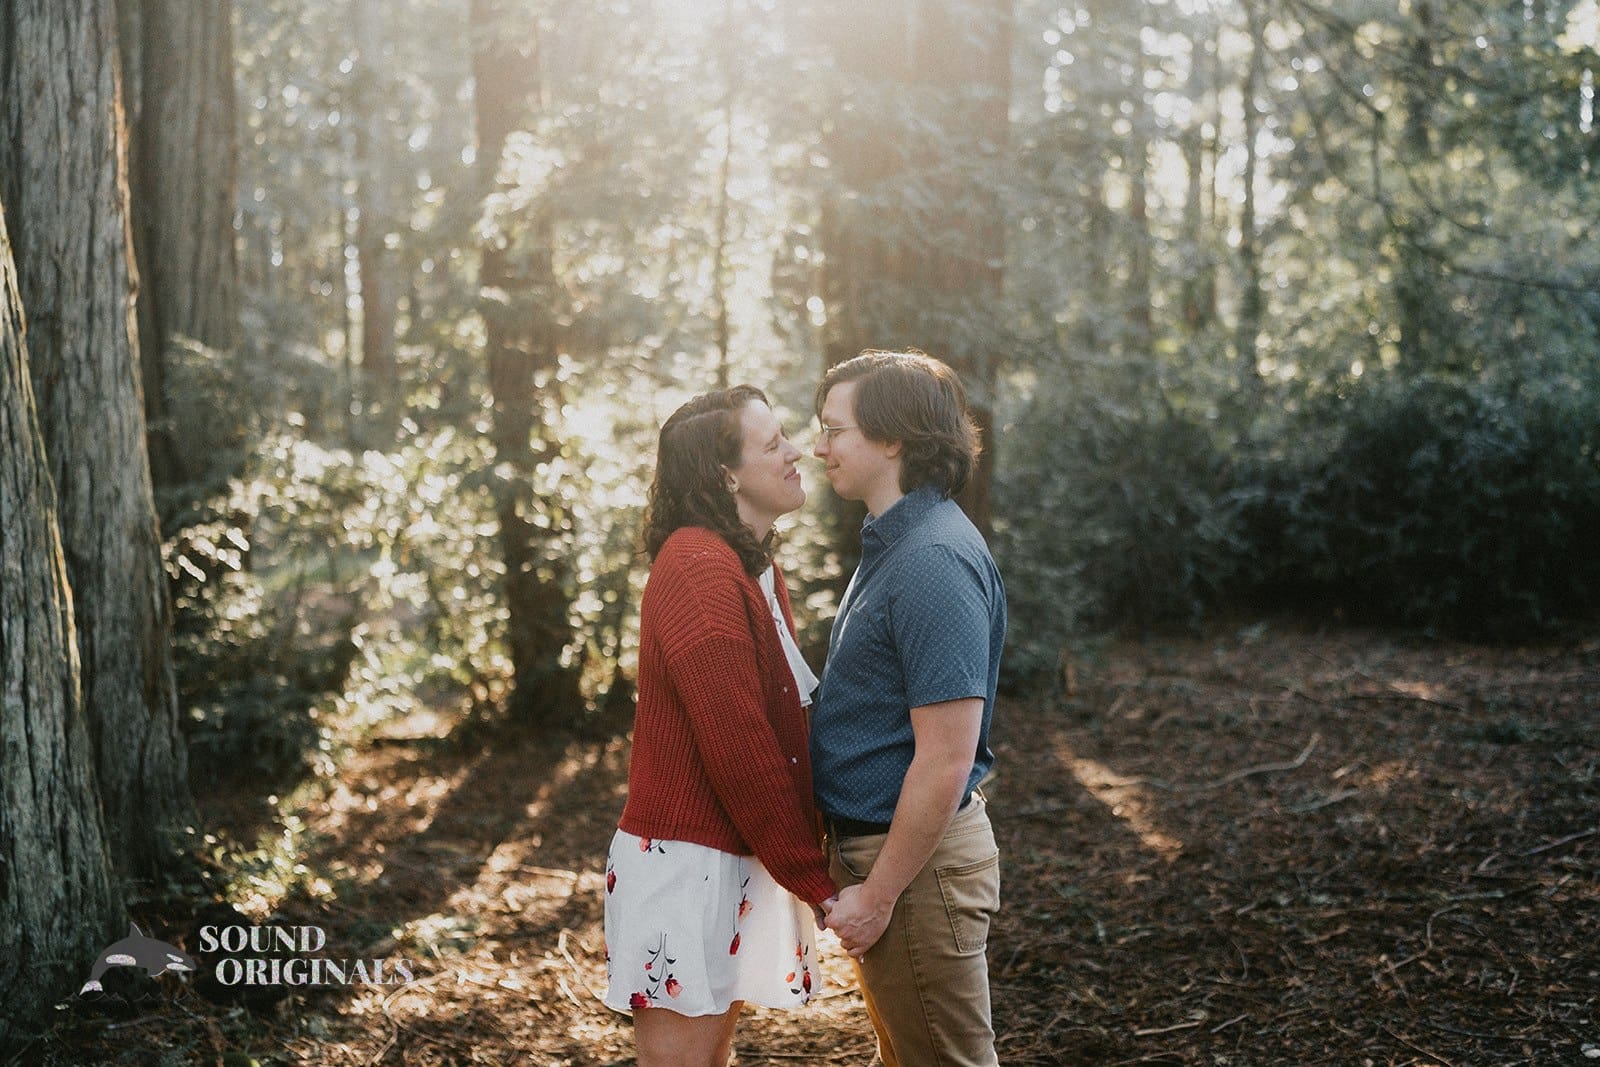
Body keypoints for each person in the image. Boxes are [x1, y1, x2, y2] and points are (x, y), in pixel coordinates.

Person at [603, 385, 838, 1067]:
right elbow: (740, 747)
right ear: (725, 475)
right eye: (773, 443)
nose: (797, 452)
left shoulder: (749, 565)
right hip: (685, 863)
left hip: (731, 853)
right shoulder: (698, 569)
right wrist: (814, 878)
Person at [810, 350, 1007, 1067]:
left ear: (892, 438)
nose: (819, 447)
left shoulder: (931, 560)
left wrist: (879, 893)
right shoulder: (897, 543)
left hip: (914, 871)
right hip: (894, 861)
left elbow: (947, 757)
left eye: (835, 429)